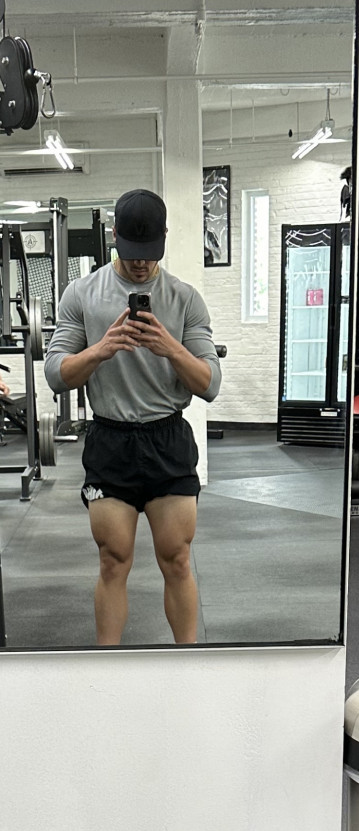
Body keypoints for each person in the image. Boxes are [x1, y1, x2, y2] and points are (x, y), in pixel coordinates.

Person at [45, 188, 221, 647]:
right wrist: (100, 350)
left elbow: (210, 384)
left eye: (150, 252)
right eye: (131, 251)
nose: (141, 263)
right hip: (111, 440)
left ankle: (189, 664)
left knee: (176, 559)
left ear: (164, 238)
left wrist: (170, 348)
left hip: (167, 439)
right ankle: (107, 668)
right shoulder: (82, 294)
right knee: (113, 560)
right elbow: (56, 374)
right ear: (114, 237)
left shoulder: (184, 299)